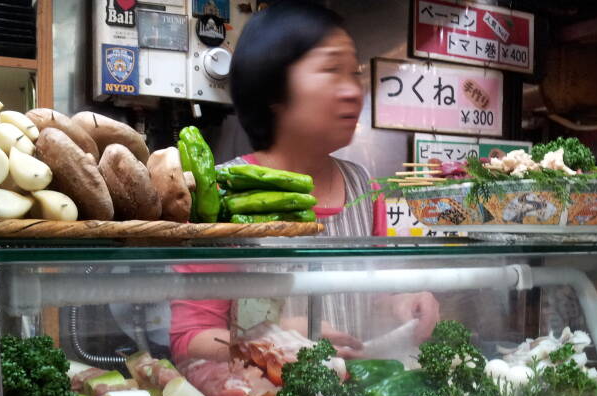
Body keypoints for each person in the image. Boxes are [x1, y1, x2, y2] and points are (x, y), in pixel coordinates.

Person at [170, 2, 439, 365]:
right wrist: (271, 338)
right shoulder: (218, 195)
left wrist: (401, 304)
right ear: (274, 91)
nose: (352, 91)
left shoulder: (363, 187)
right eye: (331, 70)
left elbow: (368, 294)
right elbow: (190, 337)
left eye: (354, 72)